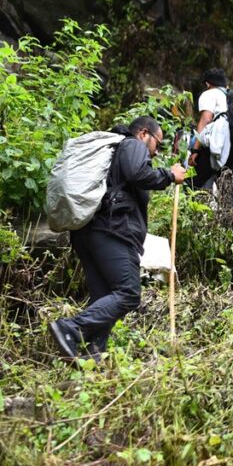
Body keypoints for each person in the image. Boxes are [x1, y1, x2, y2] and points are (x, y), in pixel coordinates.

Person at [49, 116, 186, 361]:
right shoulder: (132, 145)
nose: (156, 152)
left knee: (104, 298)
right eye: (158, 143)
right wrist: (169, 175)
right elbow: (138, 173)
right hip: (111, 231)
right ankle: (70, 329)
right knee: (129, 293)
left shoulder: (115, 152)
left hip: (88, 232)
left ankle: (93, 354)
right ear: (144, 134)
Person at [188, 68, 233, 210]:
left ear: (207, 84)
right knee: (230, 196)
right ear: (226, 85)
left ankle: (195, 219)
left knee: (193, 184)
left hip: (220, 143)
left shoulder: (210, 94)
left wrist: (195, 149)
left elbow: (206, 119)